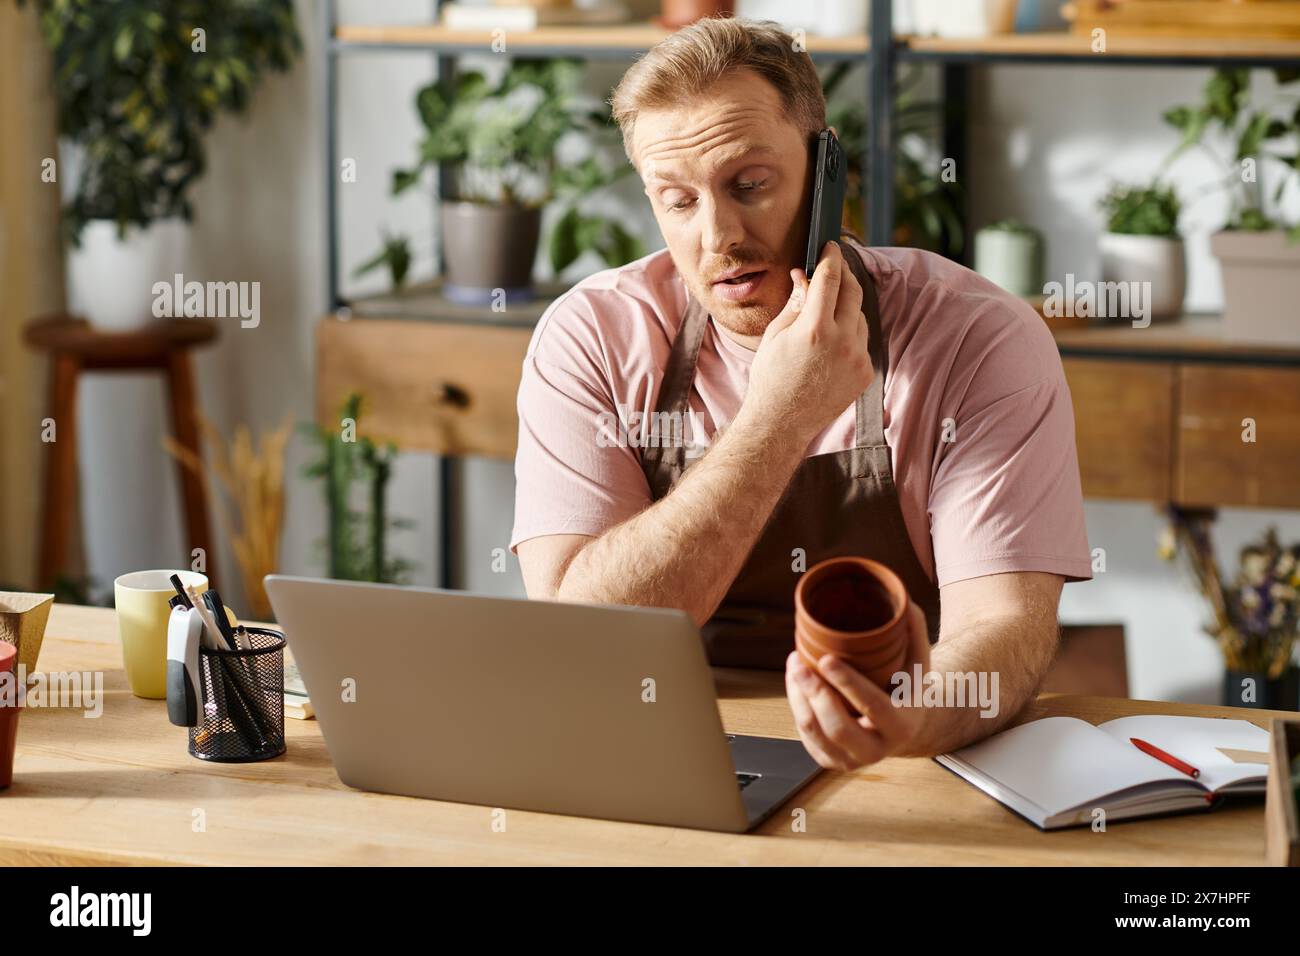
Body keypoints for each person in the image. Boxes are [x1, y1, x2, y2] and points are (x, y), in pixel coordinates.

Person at [510, 18, 1091, 770]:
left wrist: (903, 719)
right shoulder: (593, 336)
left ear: (826, 172)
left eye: (749, 185)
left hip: (913, 764)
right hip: (663, 755)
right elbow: (582, 644)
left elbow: (1005, 627)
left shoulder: (976, 340)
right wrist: (781, 416)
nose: (718, 235)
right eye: (678, 200)